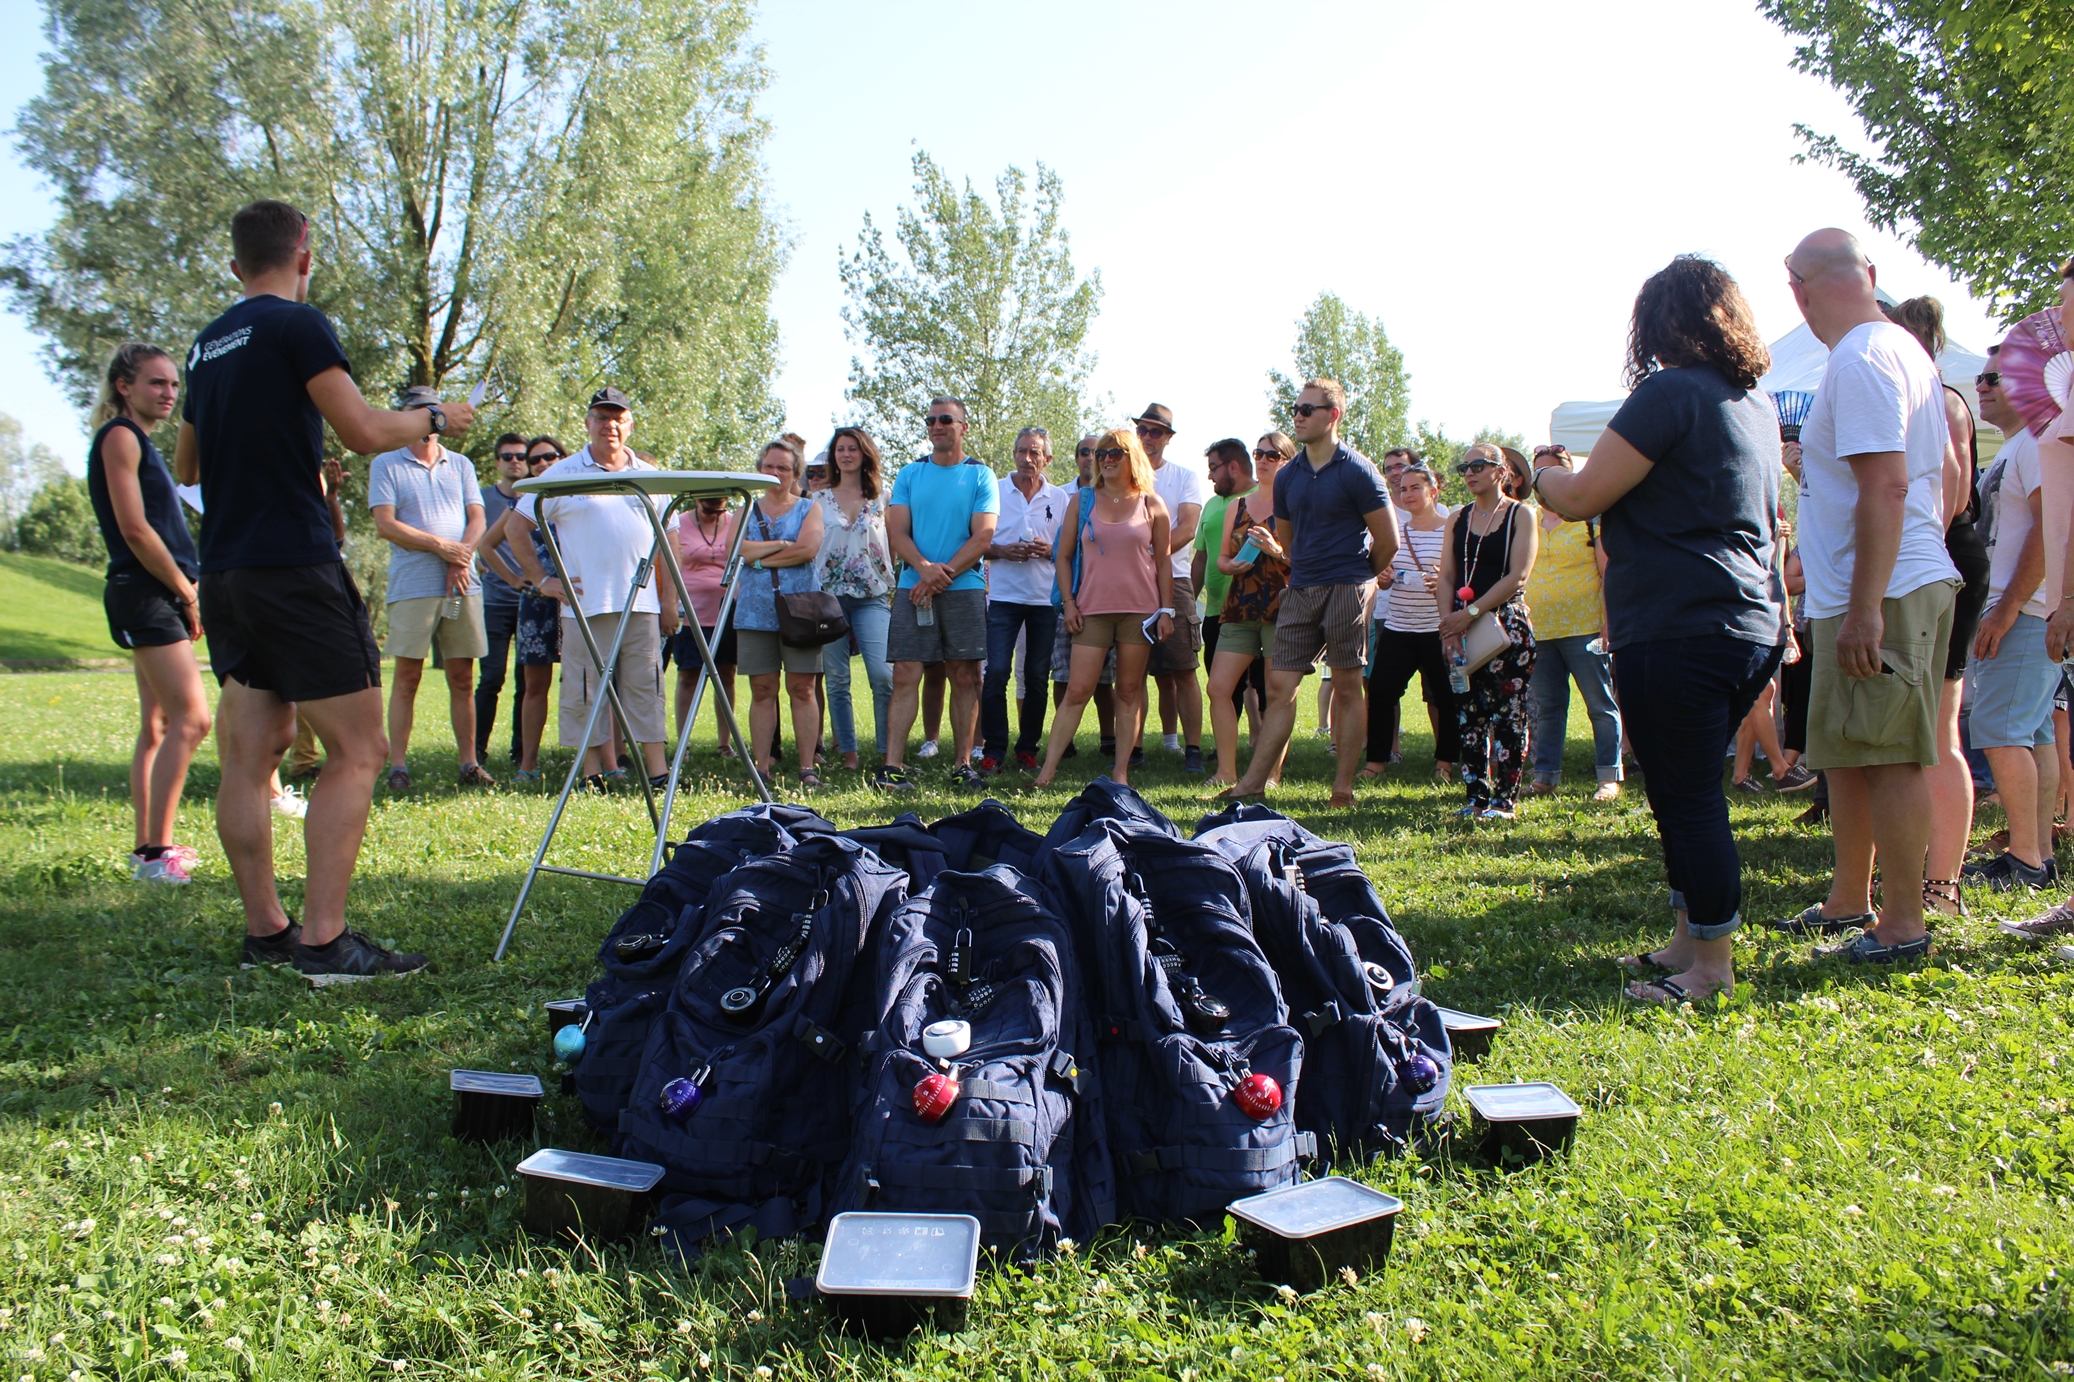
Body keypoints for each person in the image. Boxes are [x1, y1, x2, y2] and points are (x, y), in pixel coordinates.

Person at [173, 198, 473, 979]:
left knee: (252, 752)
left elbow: (186, 468)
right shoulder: (295, 326)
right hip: (292, 565)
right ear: (304, 254)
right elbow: (366, 431)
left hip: (228, 569)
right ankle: (324, 941)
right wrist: (439, 416)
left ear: (236, 264)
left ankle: (267, 931)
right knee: (360, 749)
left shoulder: (207, 346)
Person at [1532, 253, 1786, 1005]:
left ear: (1658, 323)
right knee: (1684, 789)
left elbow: (1580, 497)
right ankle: (1689, 940)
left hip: (1679, 624)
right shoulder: (1755, 404)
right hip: (1747, 622)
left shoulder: (1666, 393)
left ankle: (1711, 970)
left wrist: (1542, 472)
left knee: (1689, 794)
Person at [1766, 229, 1960, 963]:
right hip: (1865, 586)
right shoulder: (1899, 350)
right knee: (1846, 754)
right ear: (1870, 275)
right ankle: (1851, 899)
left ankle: (1904, 926)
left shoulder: (1865, 359)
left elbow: (1887, 484)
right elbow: (1943, 475)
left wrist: (1868, 605)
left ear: (1797, 288)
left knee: (1888, 758)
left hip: (1881, 593)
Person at [1220, 379, 1400, 808]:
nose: (1298, 416)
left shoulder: (1358, 470)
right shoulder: (1289, 477)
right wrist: (1305, 570)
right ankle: (1252, 785)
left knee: (1347, 684)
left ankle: (1343, 789)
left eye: (1308, 409)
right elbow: (1289, 541)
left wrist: (1362, 579)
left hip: (1347, 587)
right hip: (1299, 587)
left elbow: (1388, 539)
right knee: (1280, 686)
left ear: (1333, 415)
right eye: (1295, 408)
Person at [507, 388, 678, 792]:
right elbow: (516, 527)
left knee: (647, 686)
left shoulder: (652, 477)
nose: (610, 425)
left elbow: (670, 545)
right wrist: (543, 580)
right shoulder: (562, 473)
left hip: (643, 603)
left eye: (618, 418)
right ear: (588, 423)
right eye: (602, 417)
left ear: (630, 424)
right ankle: (591, 775)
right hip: (583, 605)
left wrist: (669, 599)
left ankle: (657, 773)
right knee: (585, 690)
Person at [1884, 296, 1992, 917]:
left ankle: (1942, 886)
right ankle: (1924, 879)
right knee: (1921, 731)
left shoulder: (1939, 399)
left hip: (1941, 561)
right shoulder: (1932, 397)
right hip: (1937, 561)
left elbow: (1950, 494)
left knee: (1939, 731)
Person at [87, 344, 212, 885]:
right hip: (147, 591)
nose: (168, 394)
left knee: (159, 724)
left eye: (173, 386)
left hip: (154, 590)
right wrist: (186, 591)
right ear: (124, 386)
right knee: (194, 718)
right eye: (156, 384)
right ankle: (158, 855)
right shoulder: (120, 437)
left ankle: (148, 848)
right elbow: (135, 530)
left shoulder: (138, 442)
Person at [1955, 348, 2058, 893]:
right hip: (2020, 610)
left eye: (1994, 377)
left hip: (2022, 611)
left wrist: (2010, 604)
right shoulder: (2020, 445)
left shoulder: (2037, 443)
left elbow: (2052, 528)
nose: (1984, 386)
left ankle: (2024, 860)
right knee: (2032, 733)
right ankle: (2037, 853)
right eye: (1981, 377)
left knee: (2002, 731)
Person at [1033, 428, 1175, 787]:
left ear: (1133, 458)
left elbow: (1164, 562)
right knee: (1078, 690)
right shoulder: (1082, 501)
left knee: (1128, 691)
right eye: (1101, 454)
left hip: (1140, 612)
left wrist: (1167, 611)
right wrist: (1068, 603)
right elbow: (1062, 557)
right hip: (1091, 609)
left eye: (1115, 453)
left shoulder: (1151, 503)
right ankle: (1047, 771)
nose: (1107, 459)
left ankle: (1121, 773)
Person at [367, 385, 490, 793]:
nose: (424, 418)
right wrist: (442, 547)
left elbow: (477, 518)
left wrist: (461, 557)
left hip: (462, 584)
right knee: (407, 677)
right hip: (413, 585)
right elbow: (385, 524)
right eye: (415, 411)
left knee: (461, 676)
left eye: (430, 410)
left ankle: (469, 763)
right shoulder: (387, 463)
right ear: (404, 417)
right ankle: (398, 766)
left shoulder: (461, 464)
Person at [881, 396, 998, 790]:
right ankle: (892, 768)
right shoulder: (909, 474)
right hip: (912, 586)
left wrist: (936, 574)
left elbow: (983, 537)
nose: (936, 425)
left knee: (964, 676)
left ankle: (963, 765)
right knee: (905, 674)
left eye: (946, 419)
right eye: (930, 419)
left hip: (962, 589)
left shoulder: (981, 476)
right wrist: (924, 570)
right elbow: (896, 532)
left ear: (964, 426)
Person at [1436, 445, 1540, 819]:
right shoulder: (1457, 518)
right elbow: (1447, 576)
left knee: (1509, 715)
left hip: (1505, 626)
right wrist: (1449, 625)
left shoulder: (1520, 515)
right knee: (1468, 713)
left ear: (1502, 471)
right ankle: (1476, 798)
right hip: (1461, 626)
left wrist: (1474, 612)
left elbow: (1518, 575)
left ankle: (1504, 801)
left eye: (1478, 465)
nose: (1469, 472)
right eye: (1465, 466)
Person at [1519, 444, 1624, 801]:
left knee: (1599, 702)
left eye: (1552, 473)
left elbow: (1607, 570)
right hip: (1539, 628)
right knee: (1547, 706)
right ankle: (1545, 775)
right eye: (1539, 474)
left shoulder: (1589, 517)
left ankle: (1608, 777)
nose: (1545, 482)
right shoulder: (1526, 518)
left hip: (1586, 626)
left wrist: (1610, 622)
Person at [725, 438, 827, 787]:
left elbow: (808, 549)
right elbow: (735, 549)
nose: (775, 472)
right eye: (769, 466)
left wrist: (758, 557)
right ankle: (761, 768)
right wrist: (781, 545)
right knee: (762, 690)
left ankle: (807, 768)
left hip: (800, 611)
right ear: (759, 469)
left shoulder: (808, 508)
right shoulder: (744, 510)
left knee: (803, 688)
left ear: (795, 472)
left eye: (783, 467)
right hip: (754, 612)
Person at [1362, 461, 1459, 784]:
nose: (1408, 494)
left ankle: (1445, 763)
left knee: (1445, 697)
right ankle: (1376, 762)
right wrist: (1385, 577)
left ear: (1434, 490)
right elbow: (1380, 577)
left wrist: (1445, 585)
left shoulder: (1452, 531)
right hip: (1399, 627)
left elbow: (1462, 581)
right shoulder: (1393, 533)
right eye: (1403, 489)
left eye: (1416, 487)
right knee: (1380, 693)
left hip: (1437, 629)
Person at [981, 426, 1070, 772]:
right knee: (997, 672)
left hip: (1044, 600)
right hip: (1002, 598)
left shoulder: (1060, 499)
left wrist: (1051, 550)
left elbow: (1071, 550)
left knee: (1035, 676)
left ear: (1047, 459)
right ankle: (994, 749)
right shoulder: (995, 492)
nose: (1027, 459)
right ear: (1014, 454)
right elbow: (976, 540)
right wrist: (1002, 550)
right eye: (1021, 451)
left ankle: (1027, 748)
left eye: (1035, 453)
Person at [1206, 437, 1290, 788]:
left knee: (1278, 693)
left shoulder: (1295, 504)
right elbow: (1221, 558)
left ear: (1287, 461)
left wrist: (1276, 550)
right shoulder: (1236, 505)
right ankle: (1226, 770)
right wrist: (1231, 567)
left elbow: (1305, 560)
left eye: (1272, 454)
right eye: (1258, 454)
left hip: (1281, 608)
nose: (1263, 460)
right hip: (1239, 607)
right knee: (1218, 687)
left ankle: (1270, 773)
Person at [811, 427, 893, 770]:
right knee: (837, 678)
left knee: (883, 674)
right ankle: (849, 754)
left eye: (853, 449)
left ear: (865, 454)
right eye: (840, 449)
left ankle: (890, 751)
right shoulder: (816, 500)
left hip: (872, 594)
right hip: (827, 599)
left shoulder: (882, 497)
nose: (846, 454)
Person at [1134, 403, 1206, 770]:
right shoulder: (1123, 475)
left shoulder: (1184, 477)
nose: (1147, 438)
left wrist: (1147, 554)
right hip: (1130, 585)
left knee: (1183, 668)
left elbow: (1188, 529)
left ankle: (1192, 749)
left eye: (1155, 432)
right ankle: (1133, 750)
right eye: (1142, 430)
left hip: (1174, 580)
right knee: (1132, 672)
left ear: (1168, 438)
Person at [1051, 433, 1118, 757]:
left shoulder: (1135, 498)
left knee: (1108, 680)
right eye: (1089, 452)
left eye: (1106, 452)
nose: (1096, 458)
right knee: (1065, 676)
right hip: (1077, 600)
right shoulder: (1073, 497)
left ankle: (1111, 742)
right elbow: (1061, 553)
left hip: (1120, 604)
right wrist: (1068, 601)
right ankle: (1062, 749)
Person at [1195, 438, 1262, 750]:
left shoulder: (1263, 498)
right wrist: (1188, 603)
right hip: (1215, 613)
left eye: (1213, 468)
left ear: (1233, 466)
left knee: (1263, 686)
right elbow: (1201, 557)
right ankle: (1227, 750)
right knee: (1221, 686)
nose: (1209, 476)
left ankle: (1267, 748)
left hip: (1258, 610)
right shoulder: (1211, 505)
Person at [473, 433, 531, 767]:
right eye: (507, 456)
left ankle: (520, 752)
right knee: (491, 677)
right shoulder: (483, 500)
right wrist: (508, 577)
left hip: (529, 602)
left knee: (526, 683)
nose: (515, 461)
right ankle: (477, 751)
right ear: (497, 462)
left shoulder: (537, 497)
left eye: (520, 456)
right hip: (494, 601)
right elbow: (476, 542)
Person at [667, 491, 739, 746]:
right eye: (709, 509)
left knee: (726, 674)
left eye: (719, 509)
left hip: (726, 612)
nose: (714, 514)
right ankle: (683, 742)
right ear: (697, 501)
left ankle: (724, 742)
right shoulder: (680, 523)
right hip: (690, 612)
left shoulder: (735, 522)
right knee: (688, 675)